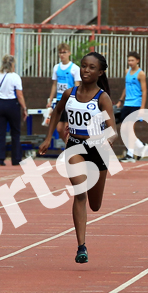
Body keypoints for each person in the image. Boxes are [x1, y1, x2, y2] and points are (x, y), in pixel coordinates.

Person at [39, 52, 116, 264]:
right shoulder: (69, 93)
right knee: (79, 192)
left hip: (97, 150)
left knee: (95, 205)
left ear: (100, 72)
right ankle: (81, 246)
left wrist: (105, 141)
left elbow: (113, 131)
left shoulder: (102, 98)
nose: (86, 70)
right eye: (83, 66)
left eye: (92, 68)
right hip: (74, 147)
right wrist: (48, 138)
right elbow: (56, 112)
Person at [0, 55, 28, 166]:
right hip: (12, 104)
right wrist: (24, 108)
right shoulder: (15, 77)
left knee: (0, 133)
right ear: (12, 64)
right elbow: (19, 95)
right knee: (15, 132)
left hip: (0, 104)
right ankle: (16, 159)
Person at [46, 43, 81, 143]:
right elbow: (54, 84)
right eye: (60, 53)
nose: (62, 55)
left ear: (69, 53)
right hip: (59, 100)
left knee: (67, 128)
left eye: (64, 52)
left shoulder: (74, 68)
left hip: (70, 100)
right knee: (59, 129)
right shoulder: (56, 68)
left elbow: (77, 86)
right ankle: (68, 145)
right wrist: (50, 99)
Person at [116, 51, 146, 161]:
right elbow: (126, 87)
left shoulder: (140, 74)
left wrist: (142, 108)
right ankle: (140, 146)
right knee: (124, 129)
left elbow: (144, 91)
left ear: (137, 61)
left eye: (132, 60)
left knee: (129, 128)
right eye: (129, 60)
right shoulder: (127, 72)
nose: (130, 62)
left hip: (136, 104)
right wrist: (120, 100)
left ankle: (130, 154)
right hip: (127, 103)